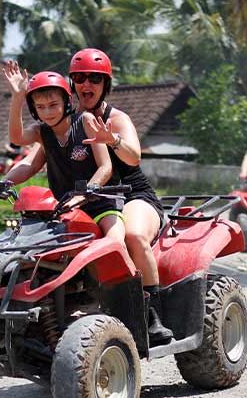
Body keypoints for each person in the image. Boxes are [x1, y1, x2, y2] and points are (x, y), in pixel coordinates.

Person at [66, 48, 173, 344]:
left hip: (133, 196)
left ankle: (152, 316)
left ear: (106, 85)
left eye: (95, 79)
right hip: (95, 198)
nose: (87, 85)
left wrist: (111, 139)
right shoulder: (71, 120)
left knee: (133, 236)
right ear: (72, 83)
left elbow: (134, 156)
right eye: (80, 78)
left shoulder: (117, 119)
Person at [0, 61, 125, 244]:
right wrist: (17, 97)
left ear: (67, 102)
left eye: (53, 104)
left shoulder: (85, 121)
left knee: (114, 241)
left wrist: (82, 195)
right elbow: (18, 139)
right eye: (40, 107)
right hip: (63, 210)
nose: (47, 112)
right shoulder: (42, 132)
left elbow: (106, 167)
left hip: (101, 205)